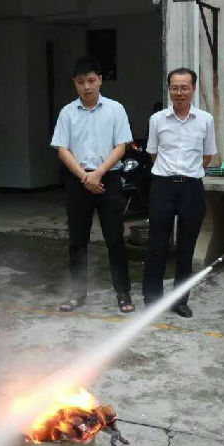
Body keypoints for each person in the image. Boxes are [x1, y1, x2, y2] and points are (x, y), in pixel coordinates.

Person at [50, 56, 135, 314]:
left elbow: (121, 147)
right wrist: (85, 177)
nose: (86, 87)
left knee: (115, 239)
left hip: (107, 177)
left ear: (100, 80)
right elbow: (61, 148)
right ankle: (77, 294)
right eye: (80, 82)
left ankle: (123, 294)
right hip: (78, 180)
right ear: (74, 83)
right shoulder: (67, 112)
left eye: (91, 81)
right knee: (77, 240)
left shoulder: (115, 109)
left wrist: (97, 173)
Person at [142, 67, 217, 318]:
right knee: (157, 245)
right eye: (175, 87)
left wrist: (187, 172)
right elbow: (153, 153)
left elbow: (207, 156)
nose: (179, 92)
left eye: (185, 87)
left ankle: (180, 299)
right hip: (162, 186)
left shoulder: (205, 119)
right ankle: (152, 298)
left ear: (193, 89)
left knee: (187, 248)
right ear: (169, 89)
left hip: (191, 188)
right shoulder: (158, 119)